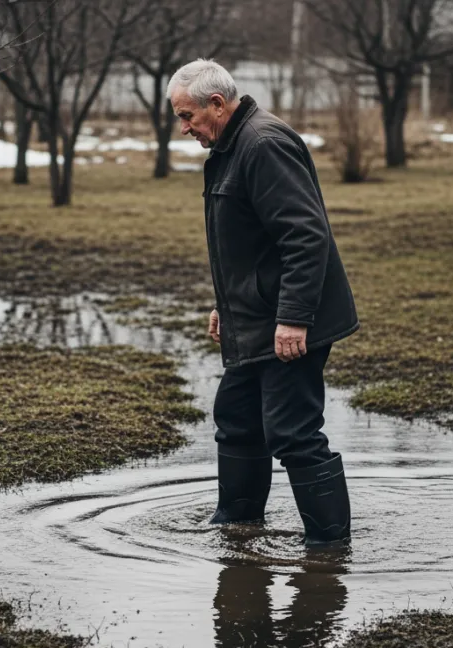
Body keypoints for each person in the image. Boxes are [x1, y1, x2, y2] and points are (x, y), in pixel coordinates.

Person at [168, 59, 359, 545]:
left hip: (290, 321)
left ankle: (329, 547)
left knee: (292, 433)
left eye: (187, 116)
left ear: (217, 104)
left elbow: (304, 237)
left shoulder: (263, 144)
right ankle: (237, 526)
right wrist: (224, 303)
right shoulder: (231, 145)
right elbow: (249, 243)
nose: (184, 127)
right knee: (237, 420)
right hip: (253, 316)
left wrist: (294, 319)